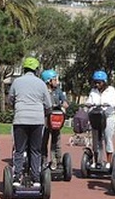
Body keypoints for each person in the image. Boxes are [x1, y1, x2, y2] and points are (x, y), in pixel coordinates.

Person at [7, 57, 52, 186]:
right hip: (37, 121)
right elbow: (48, 104)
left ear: (24, 69)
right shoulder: (41, 83)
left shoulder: (16, 82)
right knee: (36, 150)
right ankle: (36, 179)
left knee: (19, 150)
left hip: (20, 119)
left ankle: (16, 177)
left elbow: (10, 99)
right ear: (36, 70)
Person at [85, 70, 115, 167]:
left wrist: (109, 104)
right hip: (96, 117)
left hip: (108, 116)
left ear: (104, 82)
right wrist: (88, 104)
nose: (97, 84)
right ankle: (97, 161)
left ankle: (108, 162)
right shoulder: (93, 91)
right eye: (95, 82)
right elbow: (89, 100)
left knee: (108, 138)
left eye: (99, 82)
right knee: (96, 140)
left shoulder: (111, 90)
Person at [41, 69, 69, 170]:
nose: (57, 82)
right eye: (54, 79)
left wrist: (64, 104)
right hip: (45, 118)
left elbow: (65, 102)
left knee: (56, 141)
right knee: (43, 140)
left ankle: (57, 161)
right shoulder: (43, 91)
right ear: (48, 81)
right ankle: (43, 161)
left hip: (56, 118)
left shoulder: (58, 91)